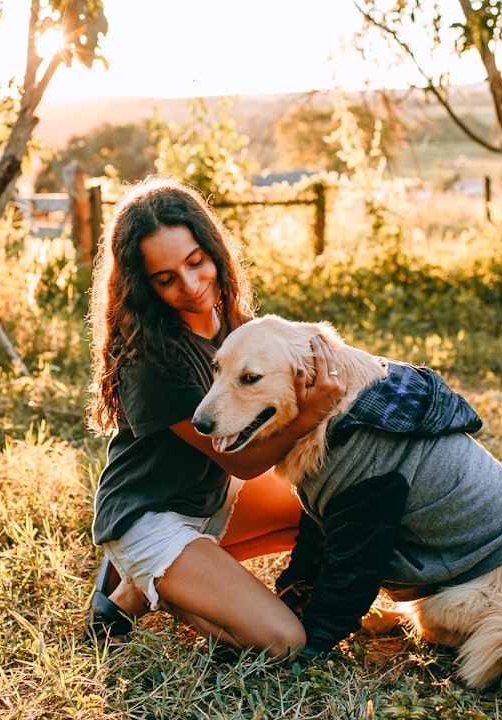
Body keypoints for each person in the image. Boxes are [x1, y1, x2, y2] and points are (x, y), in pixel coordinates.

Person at [85, 174, 344, 659]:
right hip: (152, 514)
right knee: (285, 642)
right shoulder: (152, 359)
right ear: (144, 285)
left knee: (336, 506)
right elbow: (243, 463)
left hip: (216, 501)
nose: (190, 286)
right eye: (165, 279)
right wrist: (314, 409)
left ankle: (143, 588)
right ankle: (151, 580)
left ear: (212, 251)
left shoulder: (233, 323)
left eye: (195, 263)